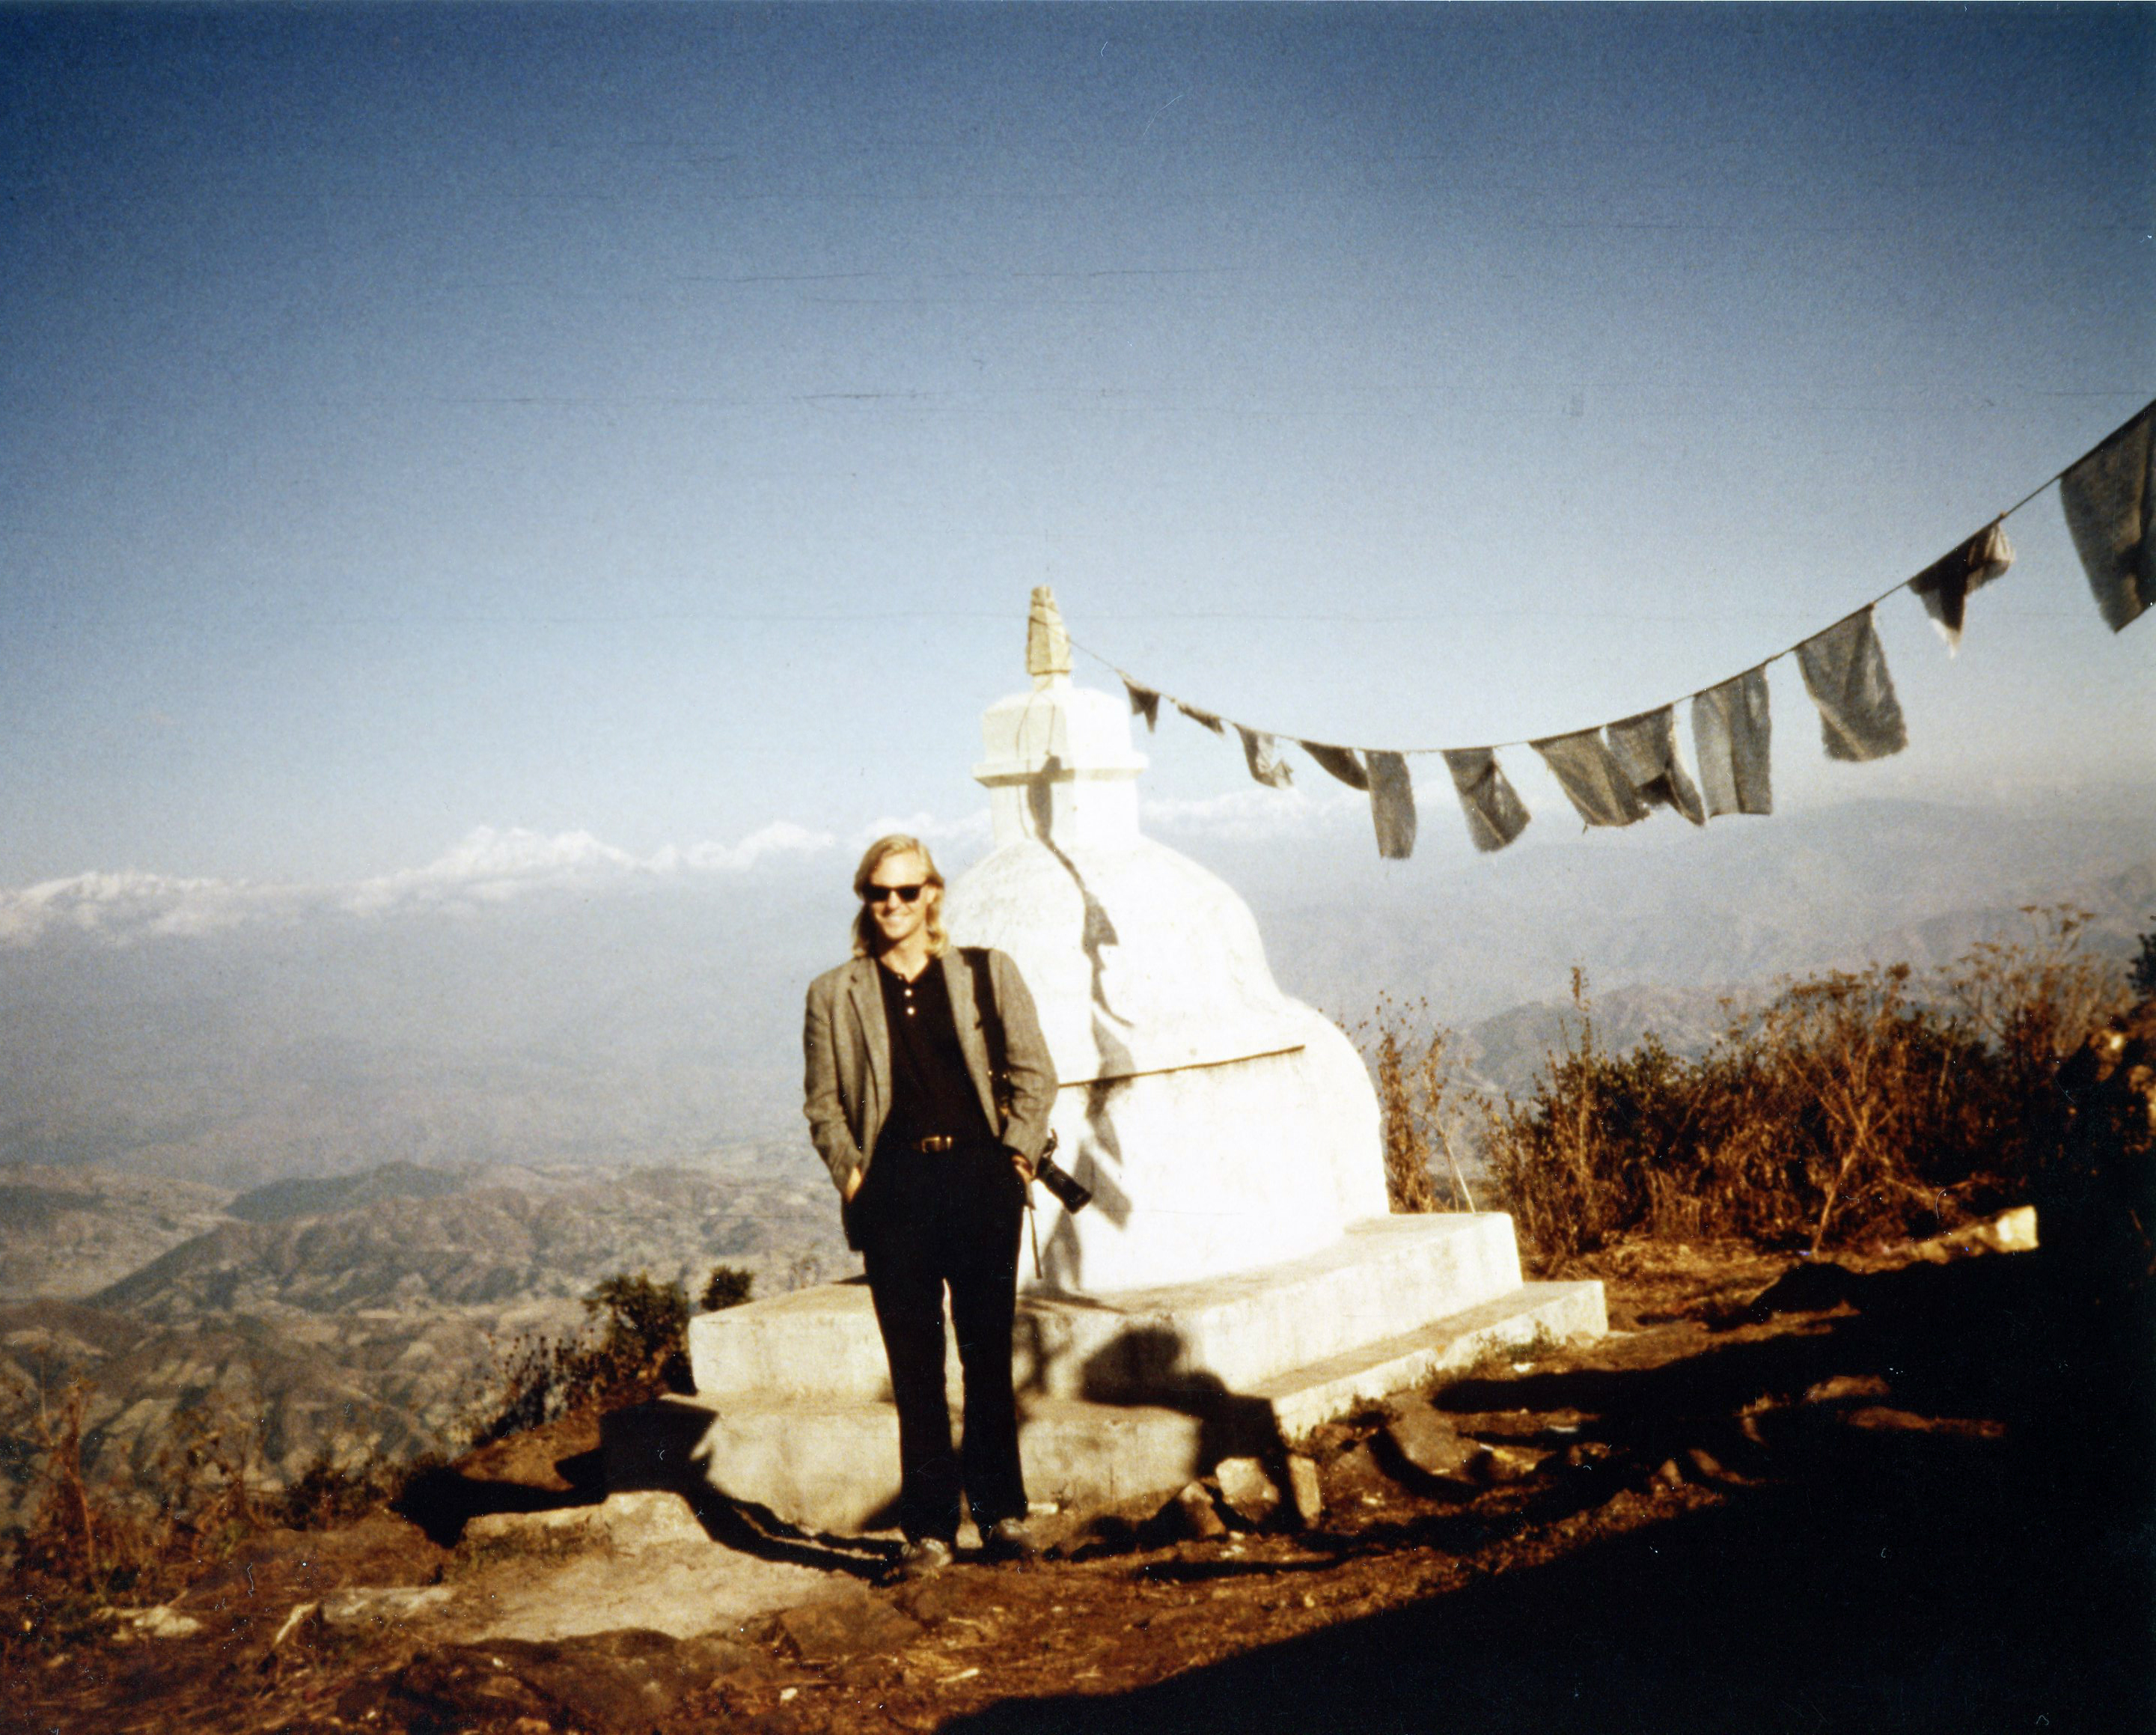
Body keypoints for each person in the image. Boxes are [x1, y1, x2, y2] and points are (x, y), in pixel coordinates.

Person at [802, 834, 1057, 1577]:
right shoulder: (834, 992)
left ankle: (1002, 1516)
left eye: (905, 892)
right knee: (914, 1368)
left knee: (987, 1355)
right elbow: (822, 1105)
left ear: (931, 895)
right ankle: (928, 1531)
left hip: (980, 1182)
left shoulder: (985, 973)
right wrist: (855, 1179)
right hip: (895, 1194)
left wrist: (1014, 1156)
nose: (891, 905)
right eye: (877, 893)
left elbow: (1034, 1071)